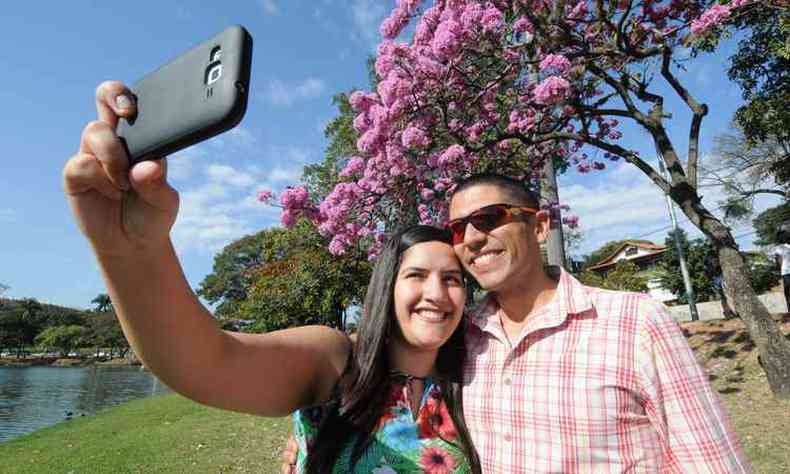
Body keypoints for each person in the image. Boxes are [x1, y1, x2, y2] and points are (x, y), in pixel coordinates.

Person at [63, 81, 481, 473]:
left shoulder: (472, 386)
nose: (437, 293)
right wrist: (130, 252)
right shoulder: (336, 361)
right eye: (416, 275)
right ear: (386, 286)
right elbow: (208, 363)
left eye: (452, 279)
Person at [281, 173, 751, 473]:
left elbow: (713, 463)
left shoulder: (634, 322)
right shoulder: (460, 336)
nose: (473, 238)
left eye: (490, 218)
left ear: (541, 226)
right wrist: (315, 438)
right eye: (458, 228)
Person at [703, 245, 738, 319]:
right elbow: (715, 264)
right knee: (728, 295)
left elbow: (706, 274)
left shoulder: (706, 259)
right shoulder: (713, 255)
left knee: (724, 297)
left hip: (716, 280)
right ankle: (733, 312)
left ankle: (728, 313)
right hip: (720, 279)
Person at [773, 234, 790, 313]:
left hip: (786, 271)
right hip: (786, 271)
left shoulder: (779, 248)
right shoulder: (779, 248)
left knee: (788, 290)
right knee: (788, 289)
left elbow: (778, 261)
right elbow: (778, 260)